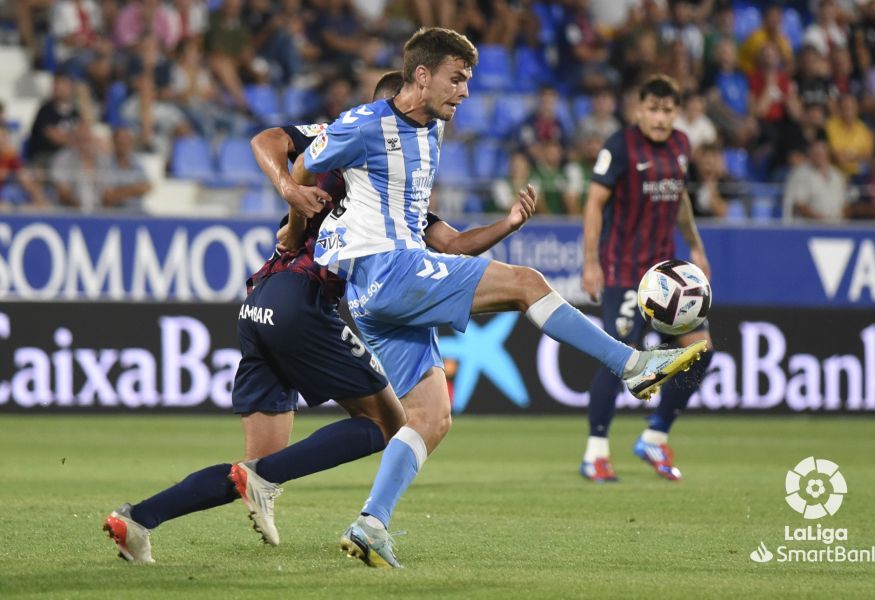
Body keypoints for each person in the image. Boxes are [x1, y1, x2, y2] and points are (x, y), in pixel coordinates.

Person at [298, 28, 707, 568]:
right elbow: (300, 164)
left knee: (429, 417)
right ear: (421, 76)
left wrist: (509, 223)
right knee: (526, 284)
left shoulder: (430, 134)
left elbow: (445, 240)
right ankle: (632, 364)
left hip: (377, 292)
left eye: (468, 80)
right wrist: (292, 211)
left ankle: (371, 523)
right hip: (387, 271)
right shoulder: (365, 122)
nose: (465, 91)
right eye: (457, 78)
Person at [101, 70, 538, 563]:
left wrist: (508, 223)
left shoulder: (395, 198)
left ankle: (137, 518)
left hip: (259, 302)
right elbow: (269, 141)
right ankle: (266, 483)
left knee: (256, 465)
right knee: (389, 423)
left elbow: (455, 243)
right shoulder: (350, 146)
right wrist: (290, 192)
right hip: (301, 301)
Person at [579, 75, 714, 484]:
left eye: (667, 110)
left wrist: (697, 247)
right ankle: (595, 452)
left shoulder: (681, 146)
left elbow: (680, 199)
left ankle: (655, 435)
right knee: (619, 358)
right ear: (639, 110)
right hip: (623, 271)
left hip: (667, 278)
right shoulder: (619, 146)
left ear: (676, 112)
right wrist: (590, 262)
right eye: (652, 109)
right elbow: (594, 203)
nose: (660, 118)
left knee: (700, 349)